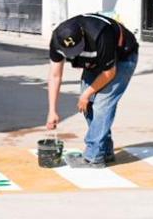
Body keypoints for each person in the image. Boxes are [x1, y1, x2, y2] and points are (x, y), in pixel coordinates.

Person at [44, 13, 139, 168]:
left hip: (122, 58)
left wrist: (86, 94)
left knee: (102, 104)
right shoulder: (57, 39)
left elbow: (109, 73)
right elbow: (55, 76)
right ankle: (104, 151)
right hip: (94, 63)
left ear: (82, 35)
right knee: (87, 106)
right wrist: (52, 111)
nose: (74, 54)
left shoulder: (101, 34)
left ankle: (93, 157)